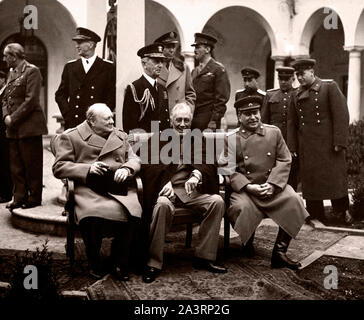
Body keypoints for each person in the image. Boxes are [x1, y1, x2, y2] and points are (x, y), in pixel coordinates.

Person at [140, 102, 227, 283]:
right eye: (178, 120)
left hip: (191, 192)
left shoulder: (197, 138)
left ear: (191, 121)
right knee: (162, 206)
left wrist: (197, 174)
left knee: (217, 201)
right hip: (167, 191)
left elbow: (209, 162)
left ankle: (204, 257)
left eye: (186, 120)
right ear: (171, 120)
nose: (182, 124)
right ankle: (153, 262)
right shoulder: (159, 138)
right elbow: (147, 165)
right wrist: (165, 182)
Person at [52, 103, 142, 280]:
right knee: (93, 214)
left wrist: (127, 168)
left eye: (112, 117)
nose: (112, 121)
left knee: (133, 212)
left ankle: (119, 262)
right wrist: (87, 168)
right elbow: (59, 167)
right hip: (88, 189)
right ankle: (95, 262)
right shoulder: (71, 137)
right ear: (91, 121)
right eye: (107, 118)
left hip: (117, 187)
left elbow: (134, 158)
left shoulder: (119, 135)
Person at [219, 96, 309, 269]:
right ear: (239, 117)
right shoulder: (231, 138)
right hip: (246, 189)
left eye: (255, 112)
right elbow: (226, 169)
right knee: (240, 208)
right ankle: (247, 241)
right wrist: (248, 186)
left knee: (295, 200)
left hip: (272, 187)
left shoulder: (273, 133)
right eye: (247, 114)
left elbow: (285, 159)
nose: (253, 117)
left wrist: (273, 184)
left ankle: (279, 253)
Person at [288, 58, 352, 224]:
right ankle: (315, 213)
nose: (300, 78)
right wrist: (293, 146)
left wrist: (339, 141)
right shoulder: (296, 94)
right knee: (311, 180)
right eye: (297, 75)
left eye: (302, 74)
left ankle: (342, 211)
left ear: (311, 71)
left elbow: (341, 115)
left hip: (329, 145)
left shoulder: (329, 87)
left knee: (335, 179)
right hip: (307, 146)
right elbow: (292, 123)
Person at [2, 43, 48, 210]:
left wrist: (12, 118)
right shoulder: (12, 72)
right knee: (16, 165)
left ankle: (34, 197)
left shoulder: (32, 71)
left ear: (14, 56)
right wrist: (6, 115)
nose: (4, 59)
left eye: (6, 56)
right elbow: (6, 97)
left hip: (29, 127)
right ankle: (19, 196)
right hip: (14, 128)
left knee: (31, 164)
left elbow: (32, 100)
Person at [55, 27, 116, 130]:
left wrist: (102, 117)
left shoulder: (107, 67)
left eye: (80, 43)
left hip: (97, 125)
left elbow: (111, 96)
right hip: (74, 123)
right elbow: (60, 94)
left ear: (91, 45)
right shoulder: (70, 67)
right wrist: (68, 114)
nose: (76, 46)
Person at [261, 67, 298, 190]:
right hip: (274, 140)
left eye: (286, 79)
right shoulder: (270, 95)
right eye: (281, 79)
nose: (283, 82)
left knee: (292, 170)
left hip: (293, 140)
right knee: (274, 169)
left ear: (293, 79)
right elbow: (264, 120)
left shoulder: (297, 94)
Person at [122, 43, 170, 134]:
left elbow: (165, 121)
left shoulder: (162, 89)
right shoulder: (134, 88)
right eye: (156, 61)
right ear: (144, 64)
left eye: (161, 61)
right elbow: (129, 125)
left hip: (163, 143)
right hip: (145, 145)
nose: (160, 65)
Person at [191, 33, 230, 131]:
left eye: (198, 47)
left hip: (208, 121)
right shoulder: (194, 71)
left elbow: (221, 99)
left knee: (207, 146)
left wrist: (213, 121)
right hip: (193, 119)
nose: (195, 50)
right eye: (195, 47)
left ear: (207, 49)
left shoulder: (218, 69)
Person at [153, 31, 196, 114]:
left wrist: (188, 111)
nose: (172, 50)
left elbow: (190, 94)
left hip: (179, 117)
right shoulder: (153, 68)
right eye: (168, 47)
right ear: (160, 48)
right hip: (157, 118)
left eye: (173, 46)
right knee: (155, 127)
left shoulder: (183, 67)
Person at [0, 70, 13, 203]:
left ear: (3, 79)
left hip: (5, 133)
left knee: (5, 162)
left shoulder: (7, 92)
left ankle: (6, 193)